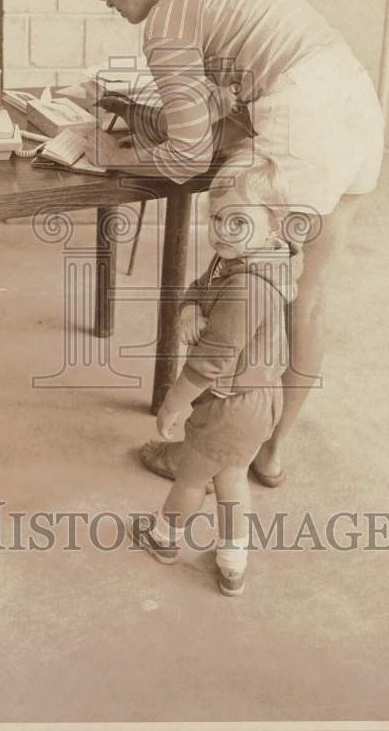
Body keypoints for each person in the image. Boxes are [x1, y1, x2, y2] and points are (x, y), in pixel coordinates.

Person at [74, 0, 384, 489]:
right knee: (306, 300)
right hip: (356, 111)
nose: (108, 2)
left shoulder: (166, 19)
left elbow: (188, 156)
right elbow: (233, 99)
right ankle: (271, 452)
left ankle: (211, 456)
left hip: (300, 125)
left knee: (246, 304)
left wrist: (112, 157)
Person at [129, 161, 301, 595]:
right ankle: (232, 562)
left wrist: (173, 401)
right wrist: (190, 307)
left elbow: (212, 360)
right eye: (217, 218)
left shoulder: (248, 286)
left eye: (239, 220)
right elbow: (201, 287)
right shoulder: (251, 256)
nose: (223, 230)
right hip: (259, 400)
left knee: (191, 478)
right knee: (231, 479)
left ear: (274, 227)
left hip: (229, 405)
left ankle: (165, 540)